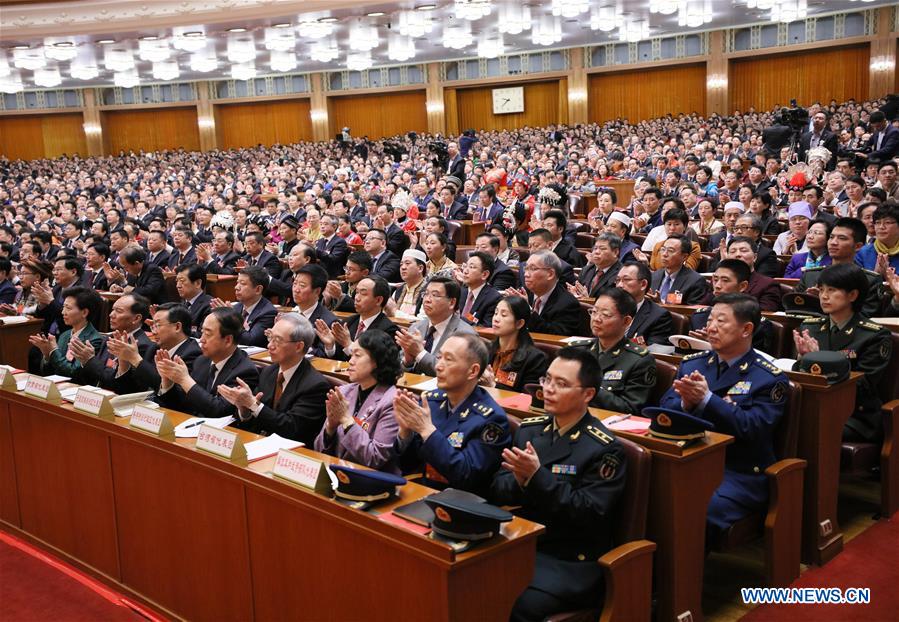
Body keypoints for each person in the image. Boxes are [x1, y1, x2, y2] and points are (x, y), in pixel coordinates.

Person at [491, 347, 626, 622]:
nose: (549, 389)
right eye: (547, 380)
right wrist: (522, 480)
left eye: (561, 384)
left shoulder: (605, 449)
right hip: (524, 543)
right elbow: (497, 487)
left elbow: (589, 513)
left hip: (571, 559)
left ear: (588, 394)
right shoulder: (531, 430)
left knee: (513, 602)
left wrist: (536, 477)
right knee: (467, 578)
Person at [660, 293, 787, 537]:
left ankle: (686, 572)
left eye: (721, 321)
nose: (711, 327)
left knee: (691, 509)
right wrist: (687, 404)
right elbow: (666, 406)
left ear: (746, 329)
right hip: (690, 459)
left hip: (739, 472)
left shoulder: (768, 377)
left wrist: (708, 400)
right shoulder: (692, 364)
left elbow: (753, 429)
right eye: (710, 320)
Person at [394, 333, 510, 496]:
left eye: (448, 359)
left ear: (473, 371)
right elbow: (407, 465)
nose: (438, 366)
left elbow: (466, 476)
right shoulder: (432, 401)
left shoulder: (492, 420)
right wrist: (405, 432)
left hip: (459, 505)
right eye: (439, 357)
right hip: (422, 491)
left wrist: (427, 431)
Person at [793, 264, 892, 442]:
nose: (823, 296)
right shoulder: (810, 327)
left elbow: (864, 387)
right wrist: (802, 358)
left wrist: (820, 359)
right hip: (814, 406)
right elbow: (799, 375)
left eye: (832, 290)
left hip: (855, 415)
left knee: (808, 430)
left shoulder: (874, 335)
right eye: (821, 289)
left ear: (853, 295)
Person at [218, 313, 330, 444]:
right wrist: (244, 410)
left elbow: (291, 429)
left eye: (277, 340)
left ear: (298, 346)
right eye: (270, 338)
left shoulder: (316, 385)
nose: (269, 346)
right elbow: (257, 418)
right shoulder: (268, 372)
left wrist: (252, 404)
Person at [314, 330, 402, 473]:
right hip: (335, 472)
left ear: (377, 361)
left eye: (357, 355)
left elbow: (374, 458)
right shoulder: (344, 391)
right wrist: (330, 427)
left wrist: (347, 421)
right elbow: (318, 449)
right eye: (351, 354)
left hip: (369, 483)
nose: (350, 361)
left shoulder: (392, 402)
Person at [155, 307, 260, 419]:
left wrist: (184, 379)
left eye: (208, 334)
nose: (201, 339)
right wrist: (167, 381)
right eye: (202, 332)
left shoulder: (245, 371)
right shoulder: (201, 361)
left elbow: (219, 411)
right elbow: (183, 404)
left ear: (228, 340)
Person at [584, 288, 657, 414]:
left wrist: (586, 386)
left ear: (626, 321)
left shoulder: (640, 361)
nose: (596, 319)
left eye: (605, 315)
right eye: (594, 312)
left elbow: (631, 409)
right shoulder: (577, 350)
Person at [796, 217, 884, 317]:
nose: (833, 242)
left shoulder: (870, 280)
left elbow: (866, 317)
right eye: (831, 237)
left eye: (842, 238)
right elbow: (793, 308)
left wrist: (821, 303)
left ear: (858, 246)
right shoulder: (810, 275)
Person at [112, 302, 202, 392]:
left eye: (158, 325)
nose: (154, 332)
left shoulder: (193, 354)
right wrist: (123, 362)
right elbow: (133, 386)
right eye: (152, 326)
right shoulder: (153, 349)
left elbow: (174, 393)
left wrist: (136, 359)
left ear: (177, 327)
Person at [690, 259, 775, 353]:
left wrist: (712, 345)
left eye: (725, 280)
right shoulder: (699, 317)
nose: (717, 285)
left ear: (743, 286)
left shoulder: (757, 324)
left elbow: (754, 360)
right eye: (715, 280)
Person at [396, 276, 476, 376]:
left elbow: (454, 372)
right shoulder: (416, 327)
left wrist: (420, 354)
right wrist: (407, 362)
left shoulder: (465, 335)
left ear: (451, 303)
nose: (427, 300)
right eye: (426, 294)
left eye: (435, 295)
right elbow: (399, 371)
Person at [28, 286, 104, 379]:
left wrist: (53, 351)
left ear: (84, 312)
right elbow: (48, 372)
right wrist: (47, 355)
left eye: (68, 308)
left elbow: (72, 373)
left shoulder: (94, 340)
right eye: (63, 307)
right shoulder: (65, 335)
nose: (63, 312)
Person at [317, 275, 398, 360]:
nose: (357, 298)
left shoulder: (389, 330)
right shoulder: (348, 322)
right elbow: (338, 359)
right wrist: (330, 346)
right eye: (357, 292)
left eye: (363, 293)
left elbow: (378, 362)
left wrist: (349, 345)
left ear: (378, 300)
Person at [482, 296, 547, 393]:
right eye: (495, 313)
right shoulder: (485, 349)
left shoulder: (535, 359)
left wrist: (493, 385)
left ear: (519, 323)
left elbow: (527, 398)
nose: (496, 319)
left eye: (503, 315)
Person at [509, 250, 582, 336]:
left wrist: (528, 310)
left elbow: (555, 337)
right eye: (526, 268)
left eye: (532, 269)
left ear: (550, 274)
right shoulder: (524, 292)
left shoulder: (568, 304)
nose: (526, 274)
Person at [613, 261, 674, 346]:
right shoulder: (609, 308)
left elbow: (653, 354)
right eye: (617, 280)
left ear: (643, 284)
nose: (619, 285)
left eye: (626, 280)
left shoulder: (659, 317)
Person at [726, 236, 782, 311]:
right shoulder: (719, 282)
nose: (738, 254)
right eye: (733, 252)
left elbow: (765, 314)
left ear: (755, 257)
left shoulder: (768, 284)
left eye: (743, 251)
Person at [650, 235, 710, 305]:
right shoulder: (653, 276)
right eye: (663, 249)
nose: (664, 254)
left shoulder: (695, 281)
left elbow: (691, 312)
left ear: (684, 256)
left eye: (670, 251)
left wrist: (661, 305)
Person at [229, 266, 278, 348]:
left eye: (243, 283)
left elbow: (250, 340)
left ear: (258, 289)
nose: (236, 287)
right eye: (237, 282)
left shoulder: (268, 312)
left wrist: (232, 319)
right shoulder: (236, 307)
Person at [458, 251, 502, 327]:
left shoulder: (493, 298)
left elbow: (485, 327)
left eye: (471, 267)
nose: (465, 271)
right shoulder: (460, 291)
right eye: (465, 266)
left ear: (484, 274)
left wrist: (457, 318)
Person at [572, 233, 622, 299]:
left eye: (602, 249)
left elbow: (615, 302)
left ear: (615, 252)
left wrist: (588, 300)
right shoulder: (586, 270)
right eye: (595, 248)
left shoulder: (621, 274)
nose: (597, 252)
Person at [855, 202, 899, 274]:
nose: (881, 227)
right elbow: (858, 283)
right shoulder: (863, 253)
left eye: (887, 222)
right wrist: (876, 275)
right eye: (878, 223)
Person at [175, 263, 211, 337]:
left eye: (182, 281)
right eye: (177, 281)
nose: (178, 285)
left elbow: (202, 335)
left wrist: (175, 330)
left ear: (198, 283)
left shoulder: (209, 305)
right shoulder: (182, 303)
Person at [392, 248, 427, 317]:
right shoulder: (398, 290)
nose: (403, 267)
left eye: (407, 263)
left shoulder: (428, 291)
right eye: (401, 264)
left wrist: (395, 312)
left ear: (420, 268)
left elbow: (423, 320)